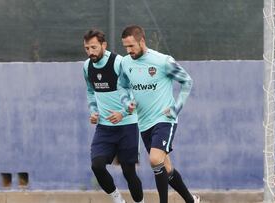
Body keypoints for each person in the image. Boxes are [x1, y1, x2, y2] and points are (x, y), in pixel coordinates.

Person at [117, 25, 200, 203]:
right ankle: (191, 200)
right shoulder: (125, 63)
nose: (128, 50)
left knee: (155, 159)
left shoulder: (162, 61)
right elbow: (122, 85)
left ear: (142, 41)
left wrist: (176, 108)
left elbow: (187, 81)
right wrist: (126, 102)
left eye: (131, 46)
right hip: (144, 122)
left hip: (165, 119)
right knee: (166, 168)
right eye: (125, 47)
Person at [82, 28, 144, 203]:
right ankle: (118, 199)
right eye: (87, 48)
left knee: (128, 171)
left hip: (128, 125)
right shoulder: (87, 67)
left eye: (93, 47)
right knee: (97, 165)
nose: (90, 52)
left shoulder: (120, 63)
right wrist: (93, 111)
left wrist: (123, 112)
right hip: (104, 128)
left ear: (104, 45)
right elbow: (90, 91)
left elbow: (136, 92)